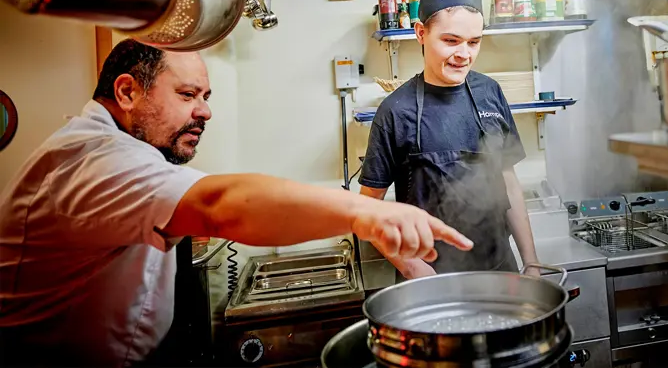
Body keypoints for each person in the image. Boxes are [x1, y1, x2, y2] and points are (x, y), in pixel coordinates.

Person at [0, 39, 473, 367]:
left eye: (205, 96)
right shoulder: (96, 158)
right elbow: (223, 204)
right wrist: (366, 211)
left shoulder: (130, 155)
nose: (205, 110)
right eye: (187, 95)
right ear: (127, 92)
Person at [359, 0, 539, 281]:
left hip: (500, 272)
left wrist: (531, 262)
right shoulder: (395, 111)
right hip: (430, 280)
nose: (464, 54)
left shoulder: (490, 93)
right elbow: (365, 211)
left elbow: (509, 182)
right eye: (451, 41)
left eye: (474, 42)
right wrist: (410, 266)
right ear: (421, 33)